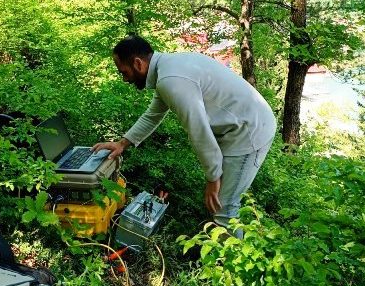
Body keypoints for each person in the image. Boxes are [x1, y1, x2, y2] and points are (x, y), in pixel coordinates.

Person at [92, 35, 276, 238]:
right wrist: (122, 143)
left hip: (249, 131)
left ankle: (232, 267)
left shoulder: (171, 80)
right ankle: (221, 251)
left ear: (138, 63)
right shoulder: (169, 69)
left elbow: (199, 132)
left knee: (225, 208)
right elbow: (153, 115)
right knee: (219, 203)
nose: (125, 79)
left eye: (124, 73)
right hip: (241, 126)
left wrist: (213, 177)